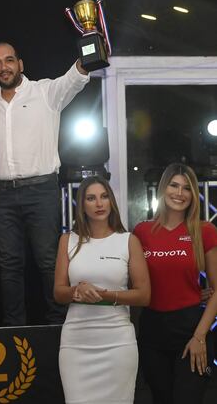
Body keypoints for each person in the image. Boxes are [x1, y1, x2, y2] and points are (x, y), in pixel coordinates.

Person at [0, 42, 89, 325]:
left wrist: (90, 50)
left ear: (20, 64)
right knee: (9, 266)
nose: (3, 67)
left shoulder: (45, 92)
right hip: (3, 195)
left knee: (47, 261)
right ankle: (14, 330)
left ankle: (57, 325)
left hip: (41, 191)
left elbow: (74, 79)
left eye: (9, 60)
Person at [54, 176, 150, 404]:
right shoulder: (67, 240)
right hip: (76, 343)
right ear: (82, 205)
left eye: (104, 197)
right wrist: (77, 291)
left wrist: (106, 296)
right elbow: (58, 292)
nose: (99, 203)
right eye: (91, 198)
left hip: (118, 343)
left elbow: (144, 295)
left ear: (111, 202)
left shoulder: (128, 240)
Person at [133, 163, 217, 404]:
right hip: (152, 330)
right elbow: (136, 283)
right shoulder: (142, 231)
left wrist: (200, 336)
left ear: (193, 195)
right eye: (174, 185)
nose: (179, 193)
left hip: (190, 329)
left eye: (186, 188)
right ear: (163, 188)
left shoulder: (205, 230)